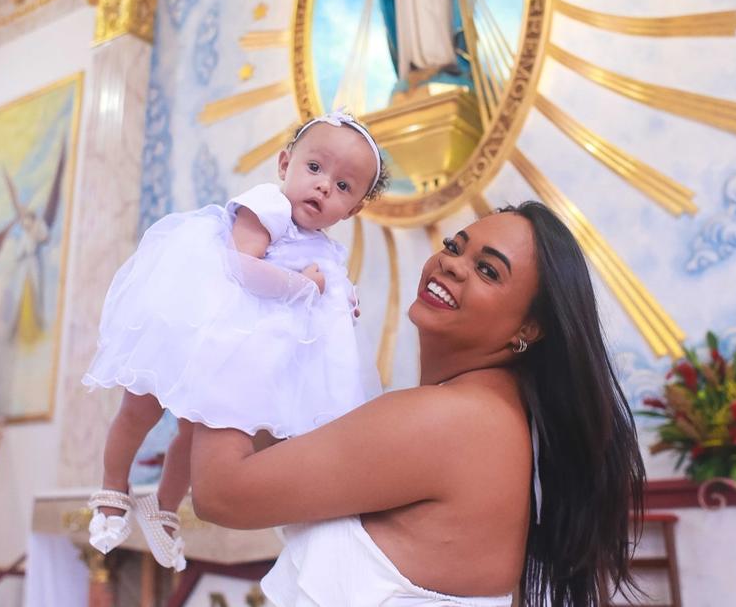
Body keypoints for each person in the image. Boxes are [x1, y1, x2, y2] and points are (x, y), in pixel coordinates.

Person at [190, 203, 646, 606]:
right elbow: (279, 466)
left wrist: (234, 321)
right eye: (454, 245)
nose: (451, 265)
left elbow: (221, 493)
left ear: (527, 329)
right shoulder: (491, 414)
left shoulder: (455, 419)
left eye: (488, 270)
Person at [82, 111, 389, 570]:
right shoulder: (267, 206)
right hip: (195, 319)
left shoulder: (327, 247)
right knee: (141, 408)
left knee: (197, 427)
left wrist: (341, 300)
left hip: (235, 349)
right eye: (315, 168)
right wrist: (308, 287)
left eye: (344, 186)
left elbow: (326, 286)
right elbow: (242, 267)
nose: (325, 186)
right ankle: (112, 489)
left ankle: (165, 508)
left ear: (356, 208)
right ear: (285, 164)